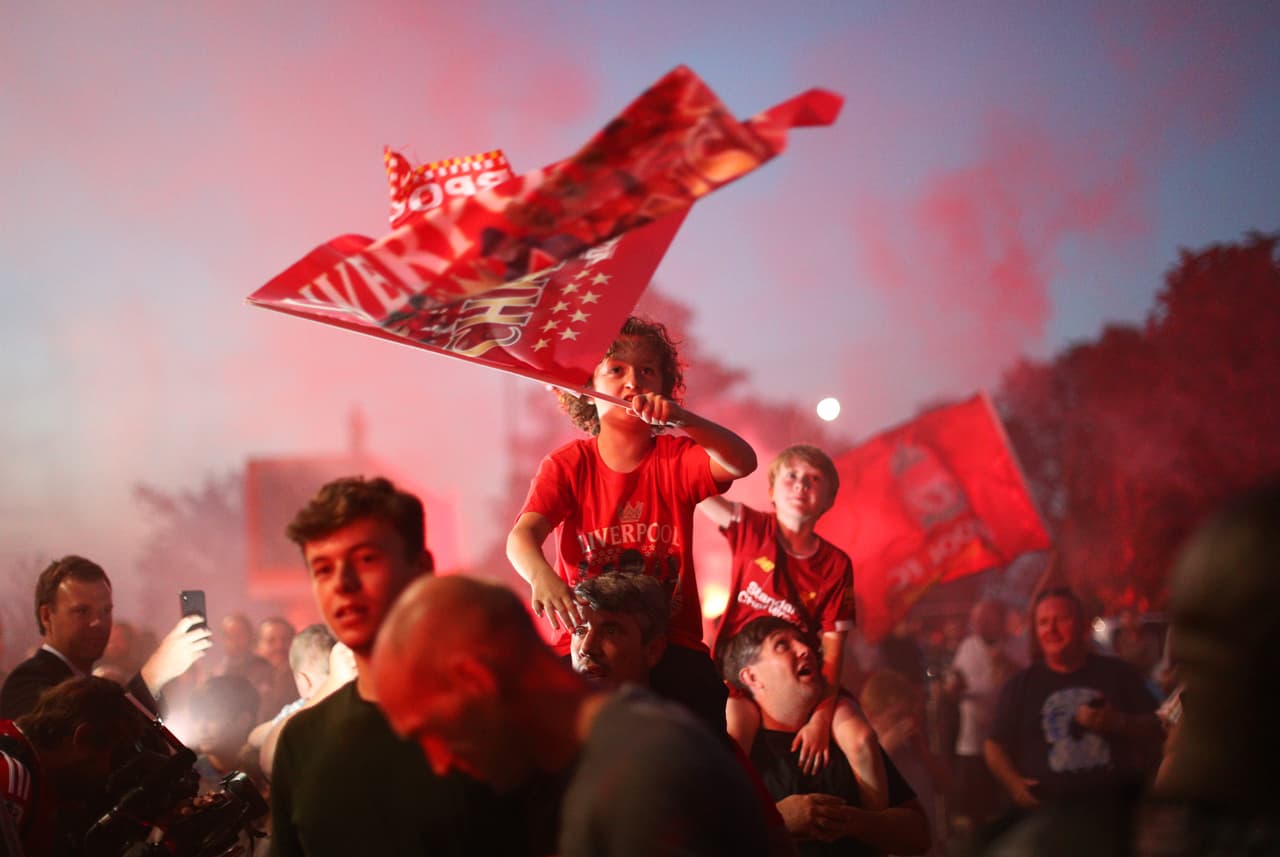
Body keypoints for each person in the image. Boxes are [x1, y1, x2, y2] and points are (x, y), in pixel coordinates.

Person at [373, 574, 772, 857]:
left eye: (434, 730)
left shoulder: (644, 770)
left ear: (477, 681)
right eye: (580, 629)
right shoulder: (570, 767)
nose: (440, 762)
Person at [507, 316, 757, 736]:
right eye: (616, 369)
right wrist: (541, 577)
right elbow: (522, 536)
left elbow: (742, 462)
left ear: (664, 386)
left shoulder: (675, 458)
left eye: (647, 371)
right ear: (586, 388)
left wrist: (685, 419)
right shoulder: (569, 465)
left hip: (667, 643)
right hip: (584, 642)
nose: (632, 381)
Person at [268, 476, 496, 857]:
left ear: (420, 569)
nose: (342, 583)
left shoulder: (494, 724)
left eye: (366, 559)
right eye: (322, 569)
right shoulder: (302, 741)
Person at [699, 443, 858, 770]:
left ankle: (878, 819)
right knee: (734, 737)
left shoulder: (836, 565)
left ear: (829, 500)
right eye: (792, 475)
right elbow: (696, 488)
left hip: (799, 682)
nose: (801, 484)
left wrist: (821, 716)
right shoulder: (751, 527)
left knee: (862, 741)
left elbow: (834, 649)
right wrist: (666, 427)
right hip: (739, 679)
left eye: (814, 479)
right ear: (771, 490)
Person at [723, 617, 930, 856]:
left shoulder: (843, 738)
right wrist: (779, 820)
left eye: (802, 641)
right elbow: (707, 840)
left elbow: (920, 836)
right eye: (782, 645)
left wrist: (855, 821)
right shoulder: (743, 751)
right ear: (752, 678)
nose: (805, 650)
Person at [983, 588, 1161, 810]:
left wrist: (1119, 722)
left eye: (1062, 620)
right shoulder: (1021, 685)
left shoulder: (1118, 674)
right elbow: (993, 745)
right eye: (1043, 622)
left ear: (1083, 626)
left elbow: (1158, 727)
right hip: (1047, 818)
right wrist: (1014, 785)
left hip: (1113, 814)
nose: (1052, 629)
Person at [0, 555, 212, 719]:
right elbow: (88, 740)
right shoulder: (25, 684)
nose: (98, 622)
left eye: (105, 611)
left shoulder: (86, 679)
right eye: (82, 611)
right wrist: (153, 674)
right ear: (47, 615)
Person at [0, 676, 147, 856]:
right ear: (83, 737)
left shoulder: (31, 774)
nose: (109, 772)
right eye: (115, 756)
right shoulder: (11, 779)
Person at [946, 598, 1024, 827]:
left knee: (1008, 810)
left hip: (1008, 742)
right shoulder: (968, 646)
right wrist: (953, 688)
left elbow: (1027, 683)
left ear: (1000, 620)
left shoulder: (1016, 645)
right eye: (975, 619)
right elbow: (954, 688)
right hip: (972, 742)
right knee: (974, 812)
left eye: (985, 619)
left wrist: (1007, 663)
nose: (978, 624)